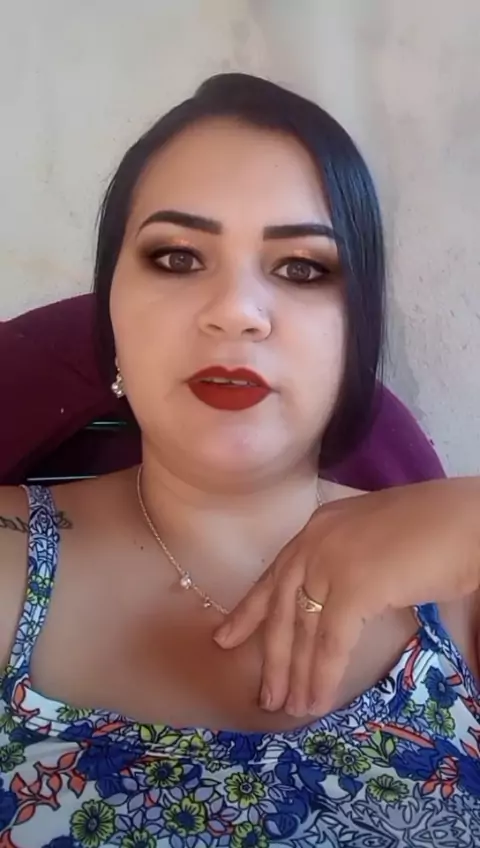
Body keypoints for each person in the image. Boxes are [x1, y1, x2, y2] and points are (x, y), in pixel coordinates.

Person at [0, 73, 478, 847]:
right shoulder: (10, 562)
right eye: (177, 257)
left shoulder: (457, 588)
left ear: (357, 330)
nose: (235, 312)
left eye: (302, 268)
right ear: (111, 311)